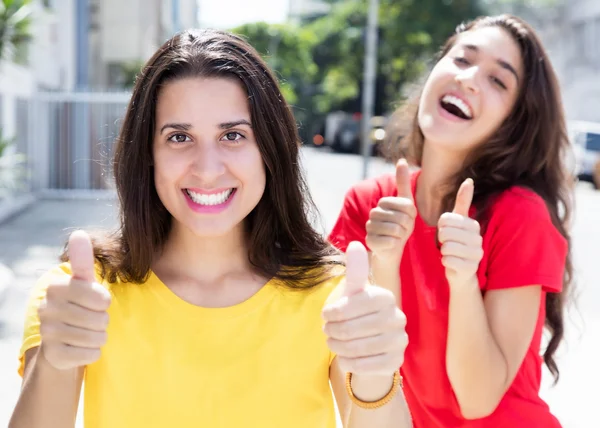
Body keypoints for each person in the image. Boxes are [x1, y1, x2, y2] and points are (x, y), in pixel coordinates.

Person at [9, 29, 412, 428]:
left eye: (233, 135)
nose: (207, 168)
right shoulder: (78, 295)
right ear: (147, 154)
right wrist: (55, 360)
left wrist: (376, 373)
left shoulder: (333, 296)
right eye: (179, 137)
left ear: (270, 151)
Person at [329, 14, 572, 428]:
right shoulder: (367, 203)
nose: (471, 79)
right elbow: (367, 377)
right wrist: (385, 260)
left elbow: (477, 399)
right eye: (462, 59)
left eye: (499, 81)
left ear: (513, 121)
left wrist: (463, 280)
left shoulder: (520, 215)